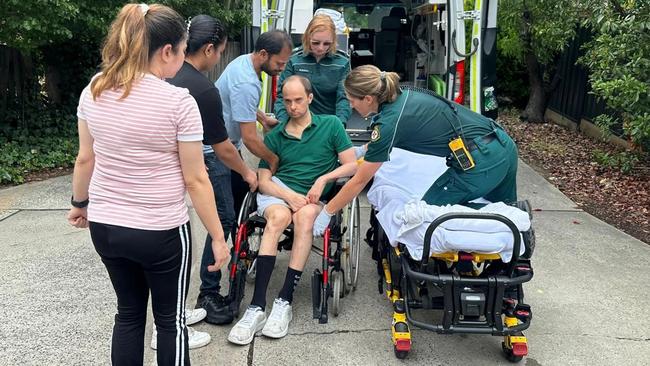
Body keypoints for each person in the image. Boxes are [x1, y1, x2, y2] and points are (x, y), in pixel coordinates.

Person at [66, 4, 230, 365]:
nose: (184, 59)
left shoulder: (93, 89)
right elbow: (196, 178)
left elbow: (85, 158)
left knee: (128, 314)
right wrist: (219, 237)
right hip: (160, 231)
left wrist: (80, 203)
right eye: (183, 50)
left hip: (107, 227)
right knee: (170, 323)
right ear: (167, 51)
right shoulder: (178, 102)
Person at [312, 65, 520, 236]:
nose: (350, 106)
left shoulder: (388, 123)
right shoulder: (402, 95)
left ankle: (512, 221)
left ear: (368, 99)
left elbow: (359, 180)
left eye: (352, 101)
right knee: (505, 205)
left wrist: (328, 211)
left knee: (426, 215)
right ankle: (517, 219)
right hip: (503, 144)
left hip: (480, 159)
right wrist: (360, 151)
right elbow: (388, 139)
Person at [227, 75, 356, 345]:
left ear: (310, 98)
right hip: (280, 192)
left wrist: (324, 179)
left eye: (298, 100)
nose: (293, 106)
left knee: (307, 216)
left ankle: (284, 300)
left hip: (313, 197)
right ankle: (257, 306)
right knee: (277, 218)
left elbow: (352, 165)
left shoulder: (331, 125)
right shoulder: (275, 136)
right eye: (287, 101)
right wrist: (288, 195)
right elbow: (263, 180)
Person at [166, 14, 257, 326]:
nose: (220, 56)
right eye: (219, 50)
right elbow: (223, 148)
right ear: (208, 49)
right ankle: (208, 291)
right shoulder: (202, 89)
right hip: (205, 160)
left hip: (170, 162)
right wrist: (247, 172)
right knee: (224, 220)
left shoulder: (166, 75)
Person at [215, 29, 293, 235]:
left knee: (240, 199)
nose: (282, 69)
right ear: (264, 54)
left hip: (224, 143)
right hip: (218, 151)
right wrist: (273, 159)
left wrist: (263, 118)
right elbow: (250, 139)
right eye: (279, 63)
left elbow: (240, 105)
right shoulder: (247, 83)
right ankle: (217, 263)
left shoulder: (243, 61)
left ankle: (238, 251)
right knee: (228, 215)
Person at [273, 15, 351, 124]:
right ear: (307, 38)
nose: (320, 48)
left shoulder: (342, 63)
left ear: (333, 41)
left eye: (326, 43)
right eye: (316, 43)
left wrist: (339, 125)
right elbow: (282, 96)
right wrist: (283, 124)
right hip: (297, 124)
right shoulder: (294, 60)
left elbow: (344, 99)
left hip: (328, 124)